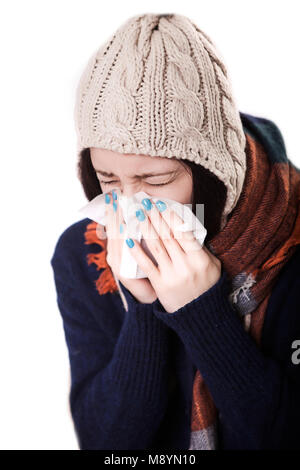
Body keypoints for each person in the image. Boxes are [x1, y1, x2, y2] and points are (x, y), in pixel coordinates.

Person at [50, 13, 300, 450]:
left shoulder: (293, 243)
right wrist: (146, 307)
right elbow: (103, 442)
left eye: (157, 181)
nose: (129, 204)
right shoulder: (83, 254)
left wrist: (203, 313)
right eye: (108, 179)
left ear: (212, 174)